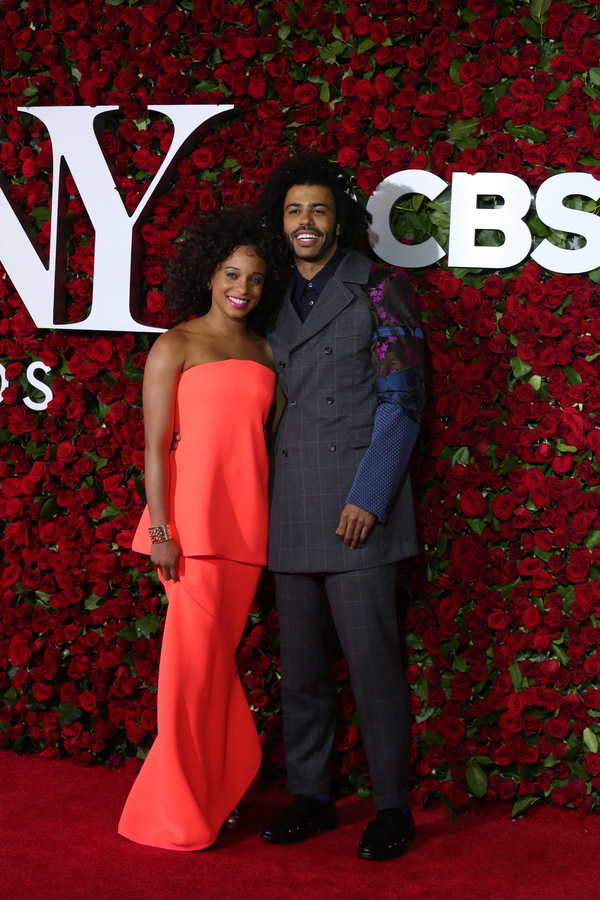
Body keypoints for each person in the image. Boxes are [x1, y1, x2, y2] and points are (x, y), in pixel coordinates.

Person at [258, 154, 425, 861]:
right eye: (295, 211)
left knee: (373, 666)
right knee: (300, 669)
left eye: (319, 210)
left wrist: (369, 496)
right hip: (287, 507)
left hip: (357, 509)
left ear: (340, 219)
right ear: (282, 220)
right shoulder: (263, 295)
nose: (306, 223)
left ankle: (391, 807)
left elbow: (405, 399)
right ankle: (313, 796)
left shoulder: (379, 286)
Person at [118, 208, 286, 851]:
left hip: (245, 531)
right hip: (186, 532)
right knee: (190, 673)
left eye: (255, 278)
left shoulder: (266, 351)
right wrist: (162, 529)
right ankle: (181, 809)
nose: (243, 287)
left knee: (215, 668)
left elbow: (259, 446)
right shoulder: (176, 344)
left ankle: (211, 789)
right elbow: (155, 447)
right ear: (210, 276)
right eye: (231, 274)